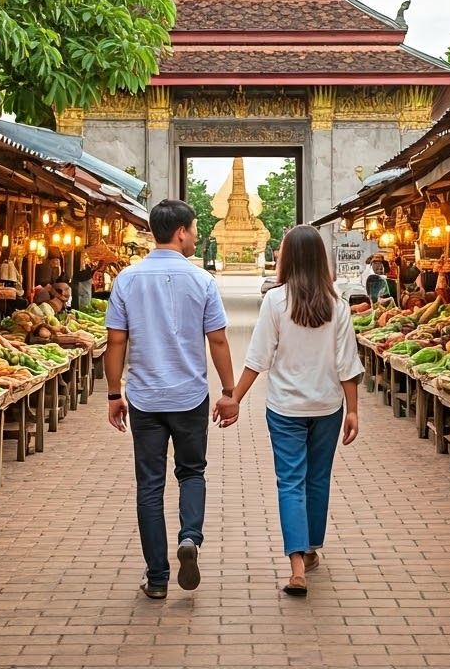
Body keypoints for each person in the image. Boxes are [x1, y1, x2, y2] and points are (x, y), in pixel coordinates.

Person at [215, 225, 363, 597]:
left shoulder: (276, 301)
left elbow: (257, 358)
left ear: (289, 258)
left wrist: (235, 397)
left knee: (291, 482)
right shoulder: (338, 306)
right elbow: (348, 364)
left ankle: (297, 565)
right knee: (317, 479)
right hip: (328, 406)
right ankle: (310, 548)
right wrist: (353, 411)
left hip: (285, 408)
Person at [104, 199, 235, 600]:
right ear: (180, 232)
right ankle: (190, 538)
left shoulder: (128, 279)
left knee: (150, 486)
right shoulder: (202, 282)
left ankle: (158, 578)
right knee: (192, 473)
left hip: (144, 397)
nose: (196, 236)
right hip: (190, 395)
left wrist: (114, 393)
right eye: (194, 229)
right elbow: (217, 339)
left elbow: (115, 341)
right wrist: (229, 391)